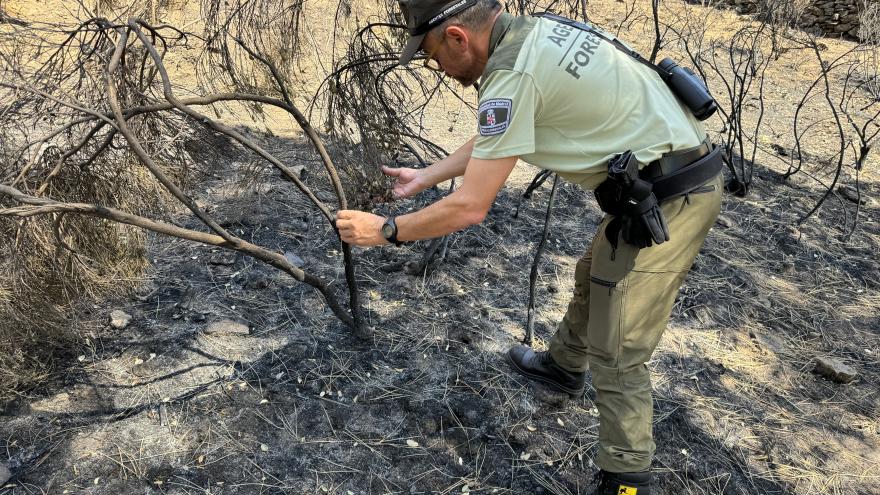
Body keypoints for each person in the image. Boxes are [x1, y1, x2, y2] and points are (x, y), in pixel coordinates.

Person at [335, 1, 723, 493]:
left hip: (674, 198)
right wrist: (426, 176)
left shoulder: (512, 74)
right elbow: (502, 134)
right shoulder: (532, 34)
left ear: (458, 37)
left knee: (620, 347)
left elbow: (470, 207)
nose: (436, 66)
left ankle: (628, 479)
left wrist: (385, 230)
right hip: (664, 180)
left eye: (433, 54)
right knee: (594, 274)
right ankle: (563, 368)